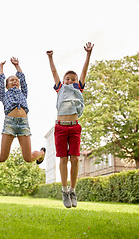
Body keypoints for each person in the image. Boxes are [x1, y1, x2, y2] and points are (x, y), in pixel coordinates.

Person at [46, 42, 94, 208]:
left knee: (74, 158)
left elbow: (84, 71)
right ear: (64, 80)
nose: (70, 80)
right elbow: (54, 72)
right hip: (60, 126)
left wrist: (88, 54)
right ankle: (64, 190)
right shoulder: (60, 88)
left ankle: (73, 190)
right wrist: (50, 57)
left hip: (74, 127)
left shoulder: (78, 88)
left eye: (73, 79)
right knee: (63, 158)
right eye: (68, 78)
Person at [0, 57, 45, 174]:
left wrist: (17, 66)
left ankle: (42, 153)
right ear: (7, 86)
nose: (15, 81)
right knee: (3, 157)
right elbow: (1, 81)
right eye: (11, 80)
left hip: (23, 124)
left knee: (28, 158)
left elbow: (23, 78)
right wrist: (1, 67)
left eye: (16, 80)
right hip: (10, 123)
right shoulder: (4, 95)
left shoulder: (23, 92)